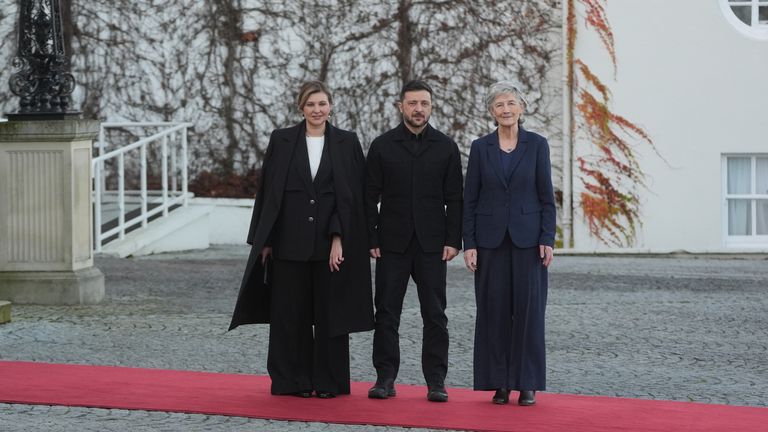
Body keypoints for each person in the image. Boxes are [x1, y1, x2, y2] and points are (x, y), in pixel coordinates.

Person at [229, 81, 373, 399]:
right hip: (287, 243)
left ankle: (329, 382)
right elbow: (268, 192)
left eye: (322, 104)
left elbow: (351, 197)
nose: (317, 110)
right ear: (301, 108)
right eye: (310, 104)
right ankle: (292, 381)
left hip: (330, 245)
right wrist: (264, 240)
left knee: (330, 317)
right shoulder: (281, 140)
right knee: (288, 316)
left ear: (330, 106)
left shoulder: (347, 142)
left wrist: (339, 239)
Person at [365, 80, 463, 402]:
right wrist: (371, 236)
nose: (418, 109)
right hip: (391, 244)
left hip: (432, 245)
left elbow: (455, 198)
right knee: (386, 313)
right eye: (412, 103)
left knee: (435, 314)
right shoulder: (382, 146)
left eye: (424, 103)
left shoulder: (446, 147)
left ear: (431, 106)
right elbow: (369, 196)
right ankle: (385, 378)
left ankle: (436, 381)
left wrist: (453, 240)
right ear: (401, 106)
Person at [462, 81, 555, 406]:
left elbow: (547, 197)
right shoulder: (480, 147)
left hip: (529, 241)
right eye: (500, 105)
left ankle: (527, 382)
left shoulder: (537, 145)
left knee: (529, 313)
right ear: (492, 111)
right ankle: (499, 382)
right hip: (490, 242)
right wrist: (470, 243)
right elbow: (470, 199)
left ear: (521, 108)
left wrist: (547, 238)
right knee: (494, 312)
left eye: (511, 103)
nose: (506, 109)